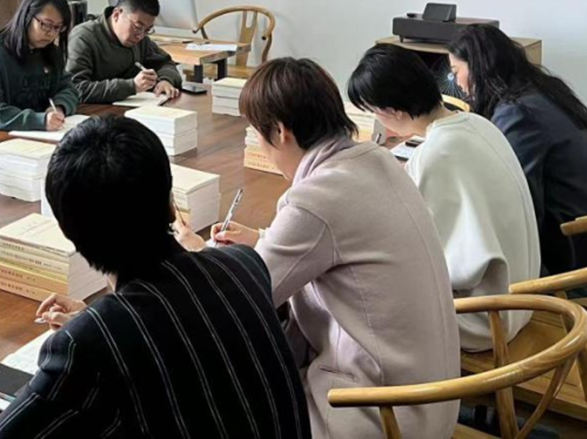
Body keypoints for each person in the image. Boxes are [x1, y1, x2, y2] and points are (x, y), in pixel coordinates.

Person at [0, 115, 310, 438]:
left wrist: (95, 329)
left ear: (67, 231)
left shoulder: (88, 346)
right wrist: (97, 323)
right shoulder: (244, 265)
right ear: (171, 205)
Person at [178, 57, 459, 439]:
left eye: (257, 134)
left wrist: (197, 253)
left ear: (280, 132)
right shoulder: (376, 159)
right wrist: (262, 240)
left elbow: (240, 301)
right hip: (432, 396)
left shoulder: (315, 199)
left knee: (209, 388)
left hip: (383, 413)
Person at [347, 44, 540, 350]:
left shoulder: (436, 153)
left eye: (374, 112)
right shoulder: (478, 123)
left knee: (352, 293)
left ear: (393, 111)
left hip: (484, 319)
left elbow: (432, 260)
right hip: (522, 298)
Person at [447, 25, 587, 278]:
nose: (457, 83)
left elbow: (514, 199)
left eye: (456, 72)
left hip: (569, 252)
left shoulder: (519, 114)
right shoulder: (542, 90)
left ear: (478, 67)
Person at [0, 0, 80, 134]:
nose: (51, 34)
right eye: (46, 25)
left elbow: (68, 88)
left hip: (34, 134)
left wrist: (59, 107)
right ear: (27, 16)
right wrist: (39, 120)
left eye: (58, 28)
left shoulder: (50, 53)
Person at [66, 0, 183, 104]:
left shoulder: (141, 40)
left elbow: (165, 63)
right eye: (137, 27)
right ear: (117, 15)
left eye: (147, 30)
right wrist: (132, 86)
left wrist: (165, 80)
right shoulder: (84, 37)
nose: (140, 36)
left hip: (134, 108)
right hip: (92, 111)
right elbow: (75, 88)